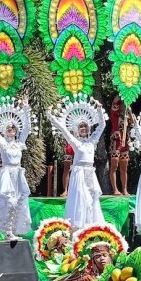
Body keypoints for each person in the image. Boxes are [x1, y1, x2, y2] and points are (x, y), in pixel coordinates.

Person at [47, 97, 107, 228]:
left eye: (85, 126)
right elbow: (62, 128)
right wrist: (50, 115)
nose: (83, 128)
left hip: (90, 173)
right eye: (81, 126)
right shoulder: (75, 142)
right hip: (79, 172)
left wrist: (99, 109)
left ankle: (92, 225)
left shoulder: (92, 140)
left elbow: (102, 125)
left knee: (92, 199)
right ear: (77, 129)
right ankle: (78, 227)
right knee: (80, 198)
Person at [0, 98, 32, 239]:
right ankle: (7, 231)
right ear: (4, 130)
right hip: (7, 173)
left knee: (19, 202)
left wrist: (26, 108)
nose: (11, 130)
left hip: (18, 173)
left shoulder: (20, 142)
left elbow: (27, 128)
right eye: (8, 128)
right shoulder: (2, 141)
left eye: (13, 128)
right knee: (10, 202)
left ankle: (13, 230)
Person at [108, 96, 134, 195]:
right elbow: (114, 100)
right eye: (122, 103)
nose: (124, 105)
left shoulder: (128, 116)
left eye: (125, 104)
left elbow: (134, 123)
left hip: (125, 143)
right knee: (114, 166)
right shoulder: (115, 113)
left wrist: (130, 111)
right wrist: (124, 91)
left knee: (124, 168)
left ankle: (124, 189)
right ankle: (115, 189)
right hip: (116, 142)